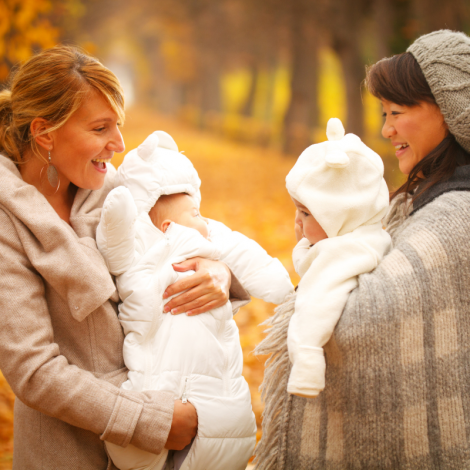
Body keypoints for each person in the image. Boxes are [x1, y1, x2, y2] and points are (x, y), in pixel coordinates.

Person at [0, 45, 250, 470]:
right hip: (69, 453)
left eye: (118, 125)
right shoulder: (8, 223)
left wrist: (217, 270)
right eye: (100, 128)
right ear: (45, 133)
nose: (118, 143)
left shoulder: (114, 190)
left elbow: (186, 232)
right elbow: (34, 369)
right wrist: (151, 420)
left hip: (163, 447)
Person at [255, 29, 470, 469]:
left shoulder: (454, 217)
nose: (386, 128)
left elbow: (358, 322)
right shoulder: (420, 198)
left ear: (449, 113)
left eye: (396, 112)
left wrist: (330, 256)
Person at [96, 130, 294, 470]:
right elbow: (115, 249)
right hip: (155, 359)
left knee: (226, 424)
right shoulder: (141, 247)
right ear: (169, 222)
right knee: (140, 435)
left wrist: (282, 290)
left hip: (212, 369)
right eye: (196, 213)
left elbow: (250, 258)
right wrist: (116, 218)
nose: (205, 219)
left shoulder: (210, 241)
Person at [284, 118, 391, 398]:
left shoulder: (347, 252)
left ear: (342, 214)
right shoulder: (362, 235)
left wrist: (306, 359)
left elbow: (316, 298)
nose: (297, 220)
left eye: (306, 213)